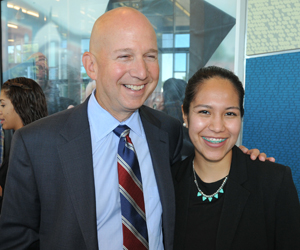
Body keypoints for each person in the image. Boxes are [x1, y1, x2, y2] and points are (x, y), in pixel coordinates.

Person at [0, 7, 271, 250]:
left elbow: (206, 164)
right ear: (91, 65)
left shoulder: (168, 131)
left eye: (150, 56)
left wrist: (244, 160)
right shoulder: (36, 144)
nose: (141, 72)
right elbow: (16, 238)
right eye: (125, 56)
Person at [172, 66, 300, 250]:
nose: (217, 127)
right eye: (204, 112)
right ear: (185, 114)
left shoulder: (274, 183)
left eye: (230, 113)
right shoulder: (167, 183)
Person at [0, 77, 48, 213]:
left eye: (3, 105)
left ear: (19, 104)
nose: (0, 110)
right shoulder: (23, 140)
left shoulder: (27, 145)